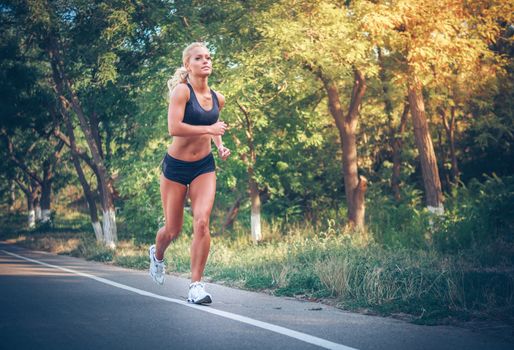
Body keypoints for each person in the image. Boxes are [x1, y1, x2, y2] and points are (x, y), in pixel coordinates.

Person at [148, 42, 230, 304]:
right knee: (172, 229)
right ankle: (157, 253)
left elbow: (213, 126)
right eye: (199, 58)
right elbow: (175, 127)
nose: (206, 61)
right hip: (176, 168)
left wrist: (220, 145)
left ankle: (196, 285)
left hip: (203, 167)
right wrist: (210, 131)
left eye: (208, 57)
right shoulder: (182, 92)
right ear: (188, 65)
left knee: (203, 221)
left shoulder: (218, 98)